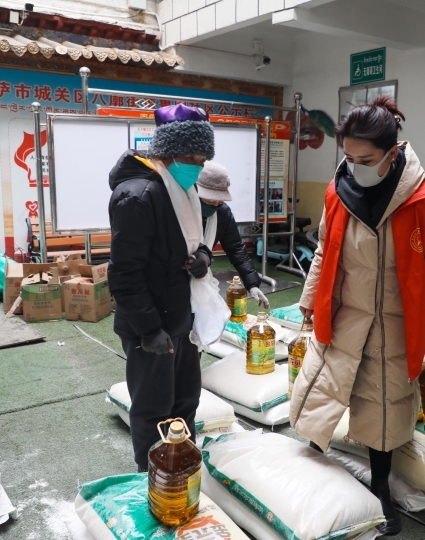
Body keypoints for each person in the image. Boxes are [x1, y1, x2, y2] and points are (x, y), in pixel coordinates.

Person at [290, 96, 425, 536]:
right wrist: (309, 298)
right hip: (343, 315)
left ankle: (380, 488)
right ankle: (313, 471)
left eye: (365, 160)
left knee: (384, 408)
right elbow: (325, 249)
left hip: (397, 325)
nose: (355, 167)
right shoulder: (337, 192)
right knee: (323, 391)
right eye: (348, 157)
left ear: (392, 152)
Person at [108, 104, 215, 472]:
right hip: (152, 325)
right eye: (191, 158)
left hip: (182, 317)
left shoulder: (184, 190)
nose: (197, 167)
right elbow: (124, 272)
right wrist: (149, 329)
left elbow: (196, 241)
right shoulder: (137, 196)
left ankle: (181, 469)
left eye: (202, 160)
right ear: (167, 153)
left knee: (186, 401)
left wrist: (203, 257)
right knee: (154, 408)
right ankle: (153, 478)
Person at [197, 161, 269, 309]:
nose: (215, 204)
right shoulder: (180, 208)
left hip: (202, 272)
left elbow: (236, 248)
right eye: (210, 199)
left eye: (219, 200)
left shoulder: (222, 213)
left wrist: (252, 284)